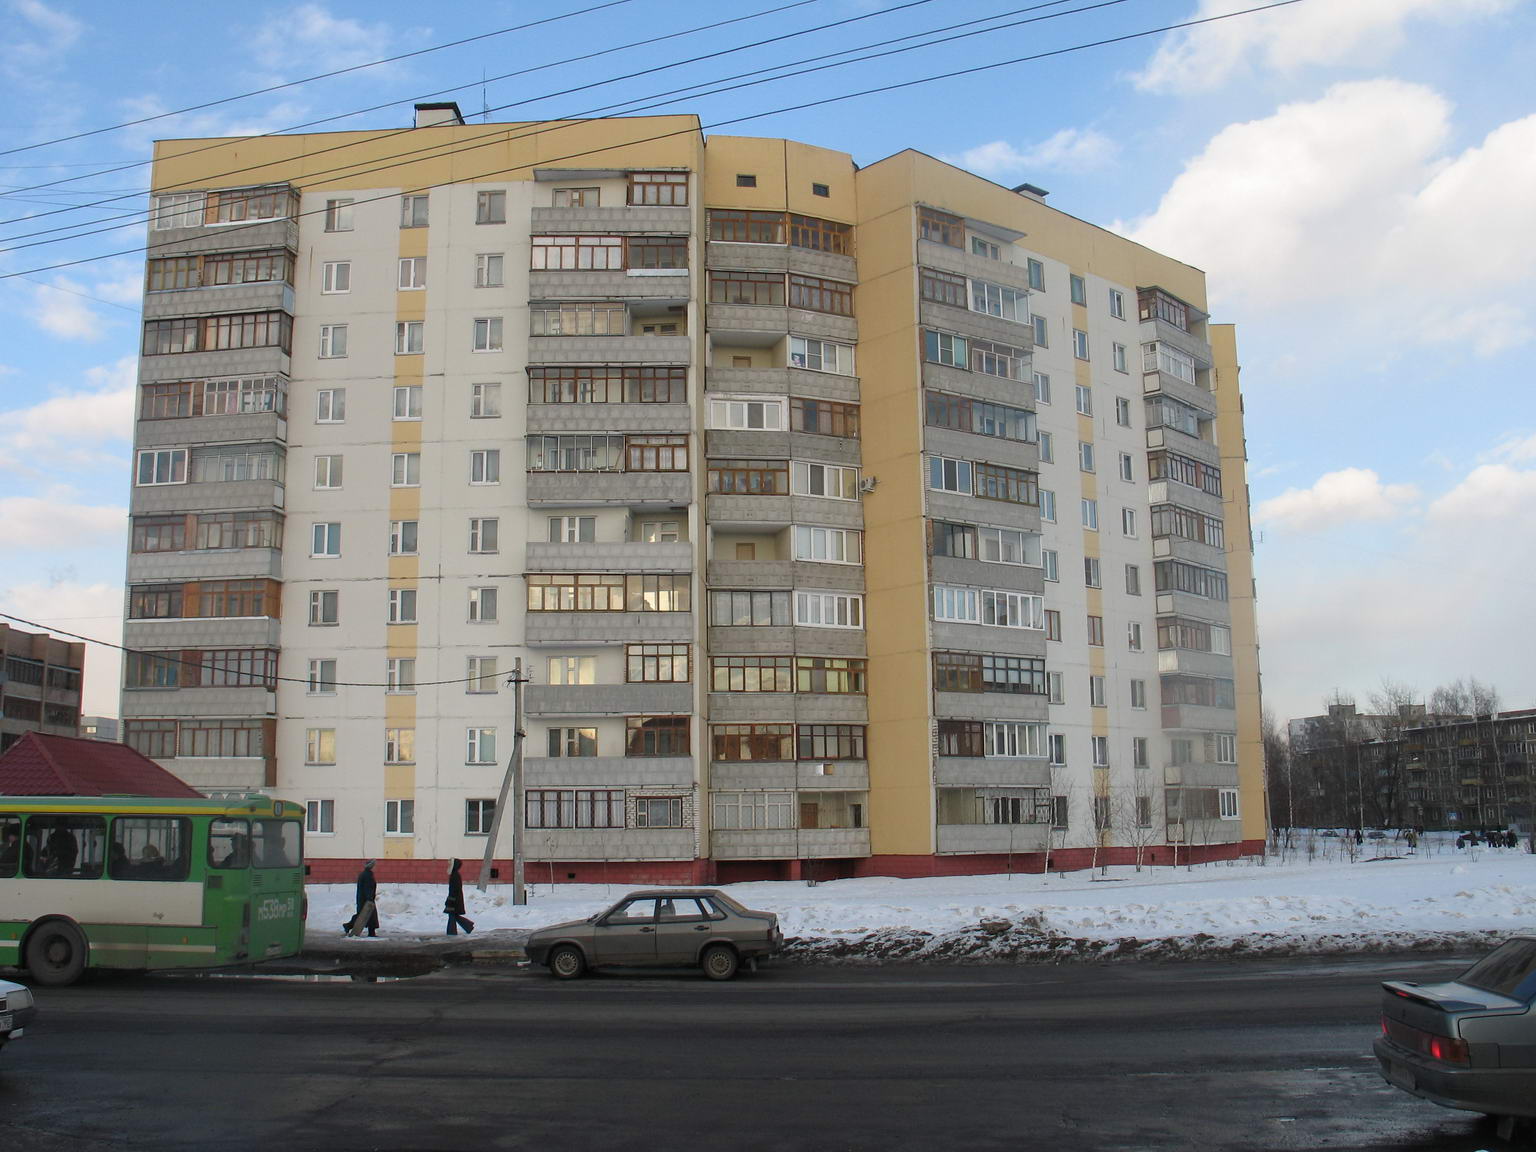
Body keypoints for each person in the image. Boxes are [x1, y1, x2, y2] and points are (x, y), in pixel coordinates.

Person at [347, 859, 380, 937]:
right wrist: (370, 899)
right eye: (375, 866)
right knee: (365, 915)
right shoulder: (367, 875)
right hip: (366, 899)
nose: (376, 867)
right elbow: (368, 887)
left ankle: (371, 932)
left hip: (364, 898)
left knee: (365, 915)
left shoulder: (366, 874)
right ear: (371, 866)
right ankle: (348, 926)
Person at [444, 858, 475, 936]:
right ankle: (468, 926)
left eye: (450, 864)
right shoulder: (455, 875)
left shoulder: (455, 875)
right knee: (454, 915)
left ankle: (452, 933)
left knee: (452, 915)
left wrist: (450, 900)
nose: (448, 866)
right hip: (455, 899)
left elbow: (454, 890)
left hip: (454, 900)